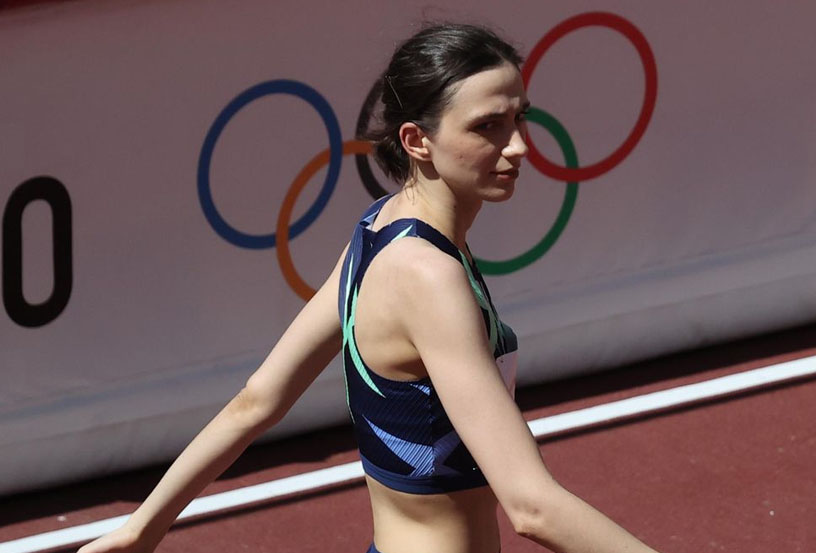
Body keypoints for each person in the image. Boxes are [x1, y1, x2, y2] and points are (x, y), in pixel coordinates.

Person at [78, 23, 660, 553]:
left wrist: (141, 529)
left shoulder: (378, 229)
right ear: (417, 140)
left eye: (519, 118)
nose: (519, 146)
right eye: (488, 127)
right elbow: (532, 508)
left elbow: (257, 401)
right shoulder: (426, 276)